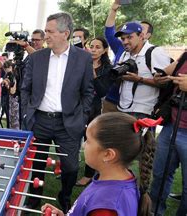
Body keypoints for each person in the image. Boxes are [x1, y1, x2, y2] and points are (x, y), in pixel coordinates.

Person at [20, 12, 94, 212]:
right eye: (46, 31)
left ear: (65, 33)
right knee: (37, 164)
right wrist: (28, 113)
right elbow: (25, 88)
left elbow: (88, 92)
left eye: (50, 31)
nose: (46, 36)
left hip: (68, 123)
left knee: (70, 167)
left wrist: (81, 116)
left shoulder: (83, 59)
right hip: (40, 121)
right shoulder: (37, 58)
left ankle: (65, 198)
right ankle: (33, 200)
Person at [42, 112, 158, 216]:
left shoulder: (106, 208)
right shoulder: (116, 180)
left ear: (108, 154)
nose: (83, 145)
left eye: (88, 141)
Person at [150, 51, 187, 216]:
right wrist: (161, 77)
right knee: (160, 174)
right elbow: (166, 72)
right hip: (171, 126)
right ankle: (154, 211)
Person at [76, 37, 115, 186]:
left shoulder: (108, 69)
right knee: (72, 138)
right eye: (91, 46)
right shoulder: (80, 62)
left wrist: (91, 70)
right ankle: (70, 169)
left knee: (91, 141)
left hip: (93, 108)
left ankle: (88, 175)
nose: (93, 49)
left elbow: (101, 91)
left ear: (105, 50)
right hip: (77, 106)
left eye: (98, 47)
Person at [114, 21, 171, 119]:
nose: (125, 42)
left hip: (144, 111)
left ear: (141, 36)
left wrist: (139, 79)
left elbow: (165, 83)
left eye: (129, 37)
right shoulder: (125, 54)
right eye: (123, 38)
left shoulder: (155, 52)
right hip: (122, 108)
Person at [1, 60, 19, 129]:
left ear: (11, 67)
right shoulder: (7, 75)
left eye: (7, 68)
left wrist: (8, 85)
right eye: (4, 69)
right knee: (9, 117)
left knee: (13, 118)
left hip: (13, 100)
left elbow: (12, 90)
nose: (6, 70)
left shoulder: (14, 75)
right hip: (6, 98)